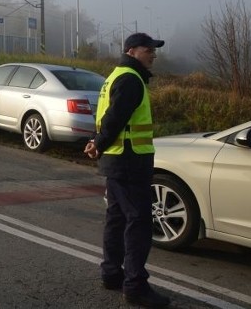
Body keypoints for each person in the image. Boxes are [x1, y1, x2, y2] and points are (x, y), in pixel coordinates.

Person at [84, 32, 169, 308]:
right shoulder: (131, 79)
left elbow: (110, 117)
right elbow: (115, 117)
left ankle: (111, 274)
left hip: (118, 160)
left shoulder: (117, 75)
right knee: (139, 223)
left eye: (154, 50)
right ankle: (135, 286)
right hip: (130, 163)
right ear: (132, 51)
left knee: (117, 219)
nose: (153, 54)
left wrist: (98, 143)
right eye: (149, 50)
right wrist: (99, 141)